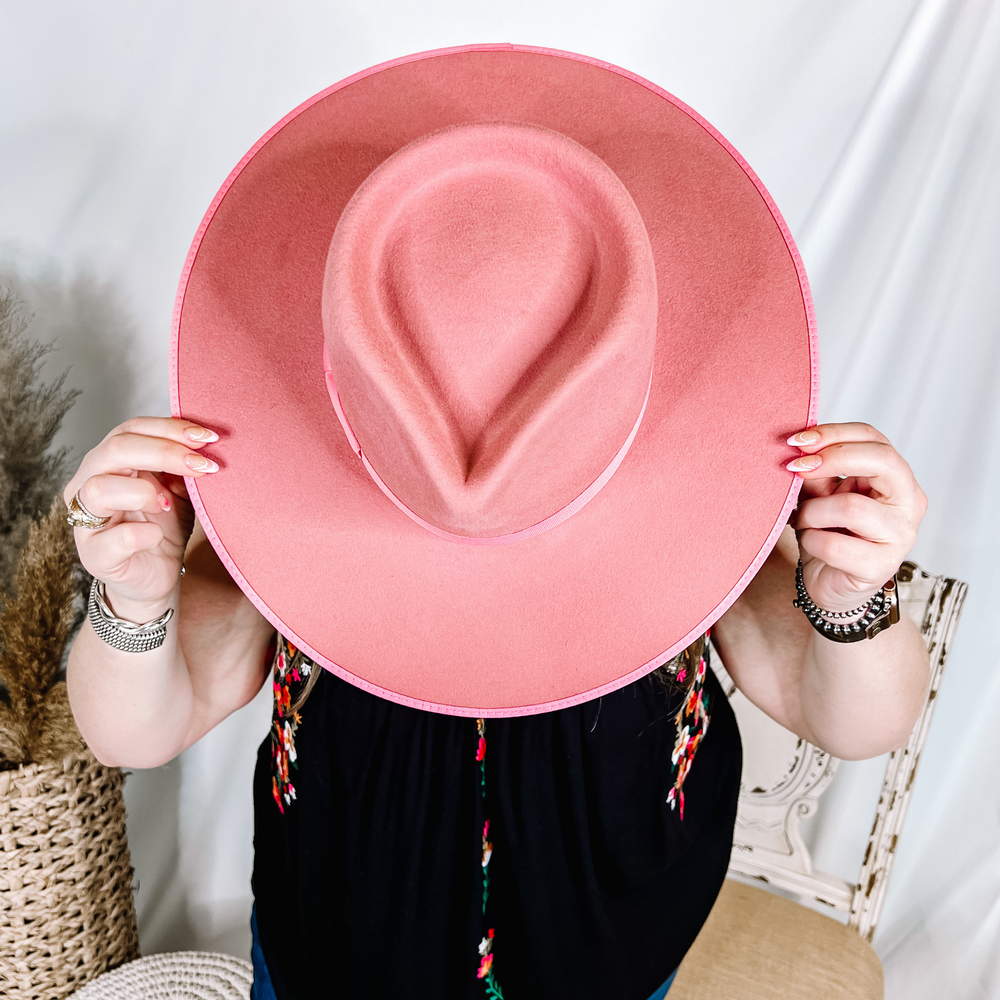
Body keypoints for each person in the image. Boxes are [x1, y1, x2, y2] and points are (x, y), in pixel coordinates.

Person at [62, 47, 930, 1000]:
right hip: (336, 956)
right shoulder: (285, 485)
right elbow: (133, 732)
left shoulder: (698, 490)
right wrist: (132, 599)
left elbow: (855, 721)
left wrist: (852, 599)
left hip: (613, 956)